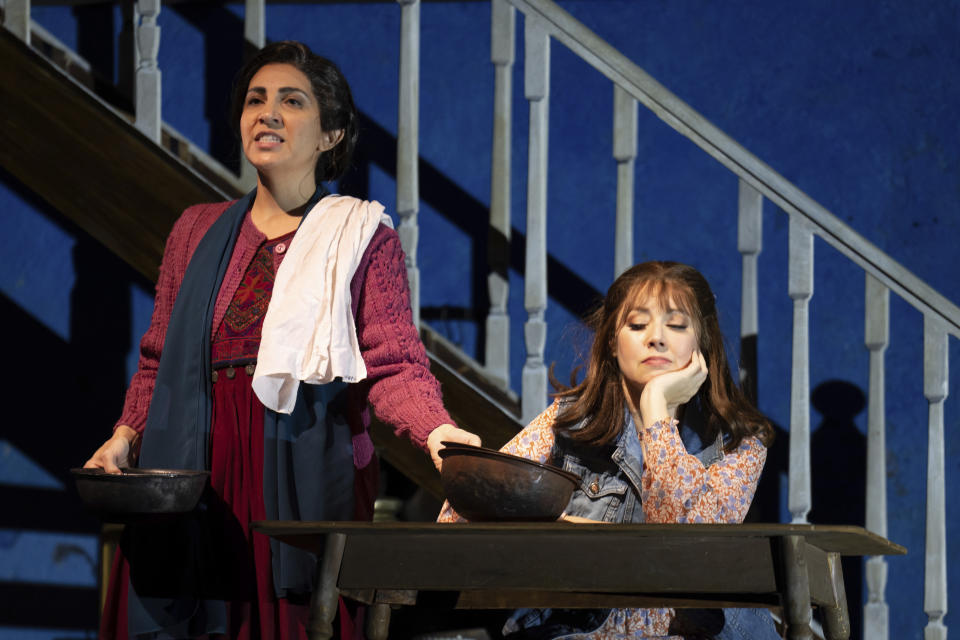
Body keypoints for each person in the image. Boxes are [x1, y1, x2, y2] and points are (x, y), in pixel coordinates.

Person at [84, 40, 479, 639]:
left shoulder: (362, 237)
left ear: (331, 135)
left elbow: (393, 363)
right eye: (255, 100)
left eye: (291, 102)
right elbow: (157, 360)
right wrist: (123, 437)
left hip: (299, 468)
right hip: (196, 467)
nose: (266, 113)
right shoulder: (195, 229)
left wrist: (436, 429)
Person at [438, 261, 781, 639]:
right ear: (613, 345)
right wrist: (560, 528)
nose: (657, 338)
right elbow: (458, 519)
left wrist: (656, 414)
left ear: (702, 342)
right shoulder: (568, 425)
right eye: (637, 325)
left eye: (677, 325)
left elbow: (692, 551)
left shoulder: (739, 444)